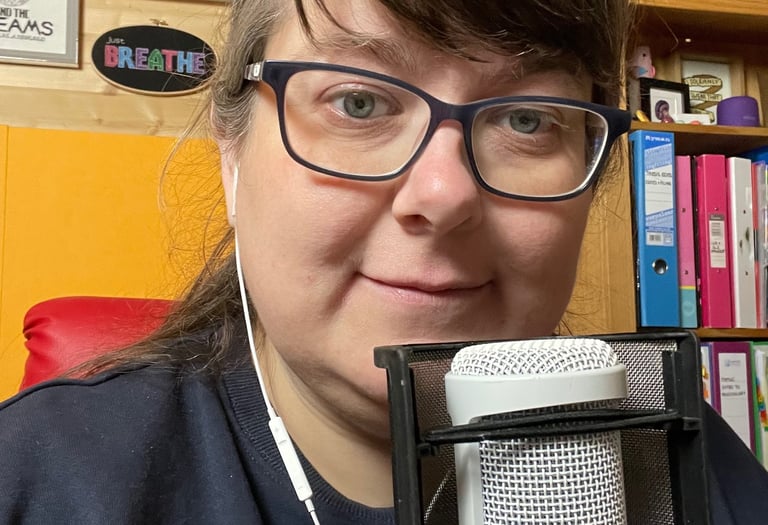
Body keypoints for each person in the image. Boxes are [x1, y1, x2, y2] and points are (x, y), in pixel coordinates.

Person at [0, 0, 766, 523]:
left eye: (527, 119)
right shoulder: (40, 480)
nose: (445, 192)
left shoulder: (691, 462)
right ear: (232, 153)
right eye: (359, 103)